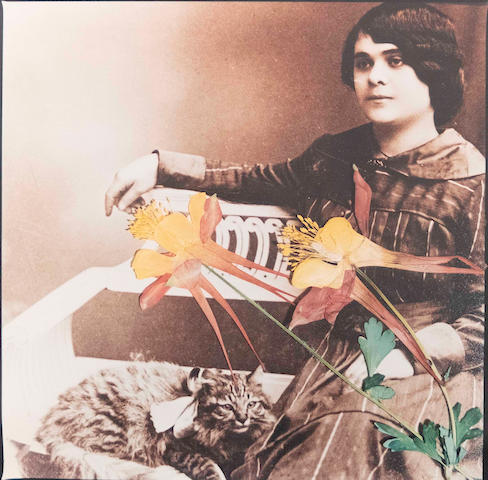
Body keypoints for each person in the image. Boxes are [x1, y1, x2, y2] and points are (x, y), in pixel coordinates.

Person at [105, 3, 484, 479]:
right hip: (341, 356)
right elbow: (253, 178)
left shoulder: (473, 182)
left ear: (435, 70)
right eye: (363, 63)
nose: (375, 77)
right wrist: (160, 166)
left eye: (395, 60)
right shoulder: (334, 157)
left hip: (430, 372)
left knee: (361, 450)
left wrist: (410, 354)